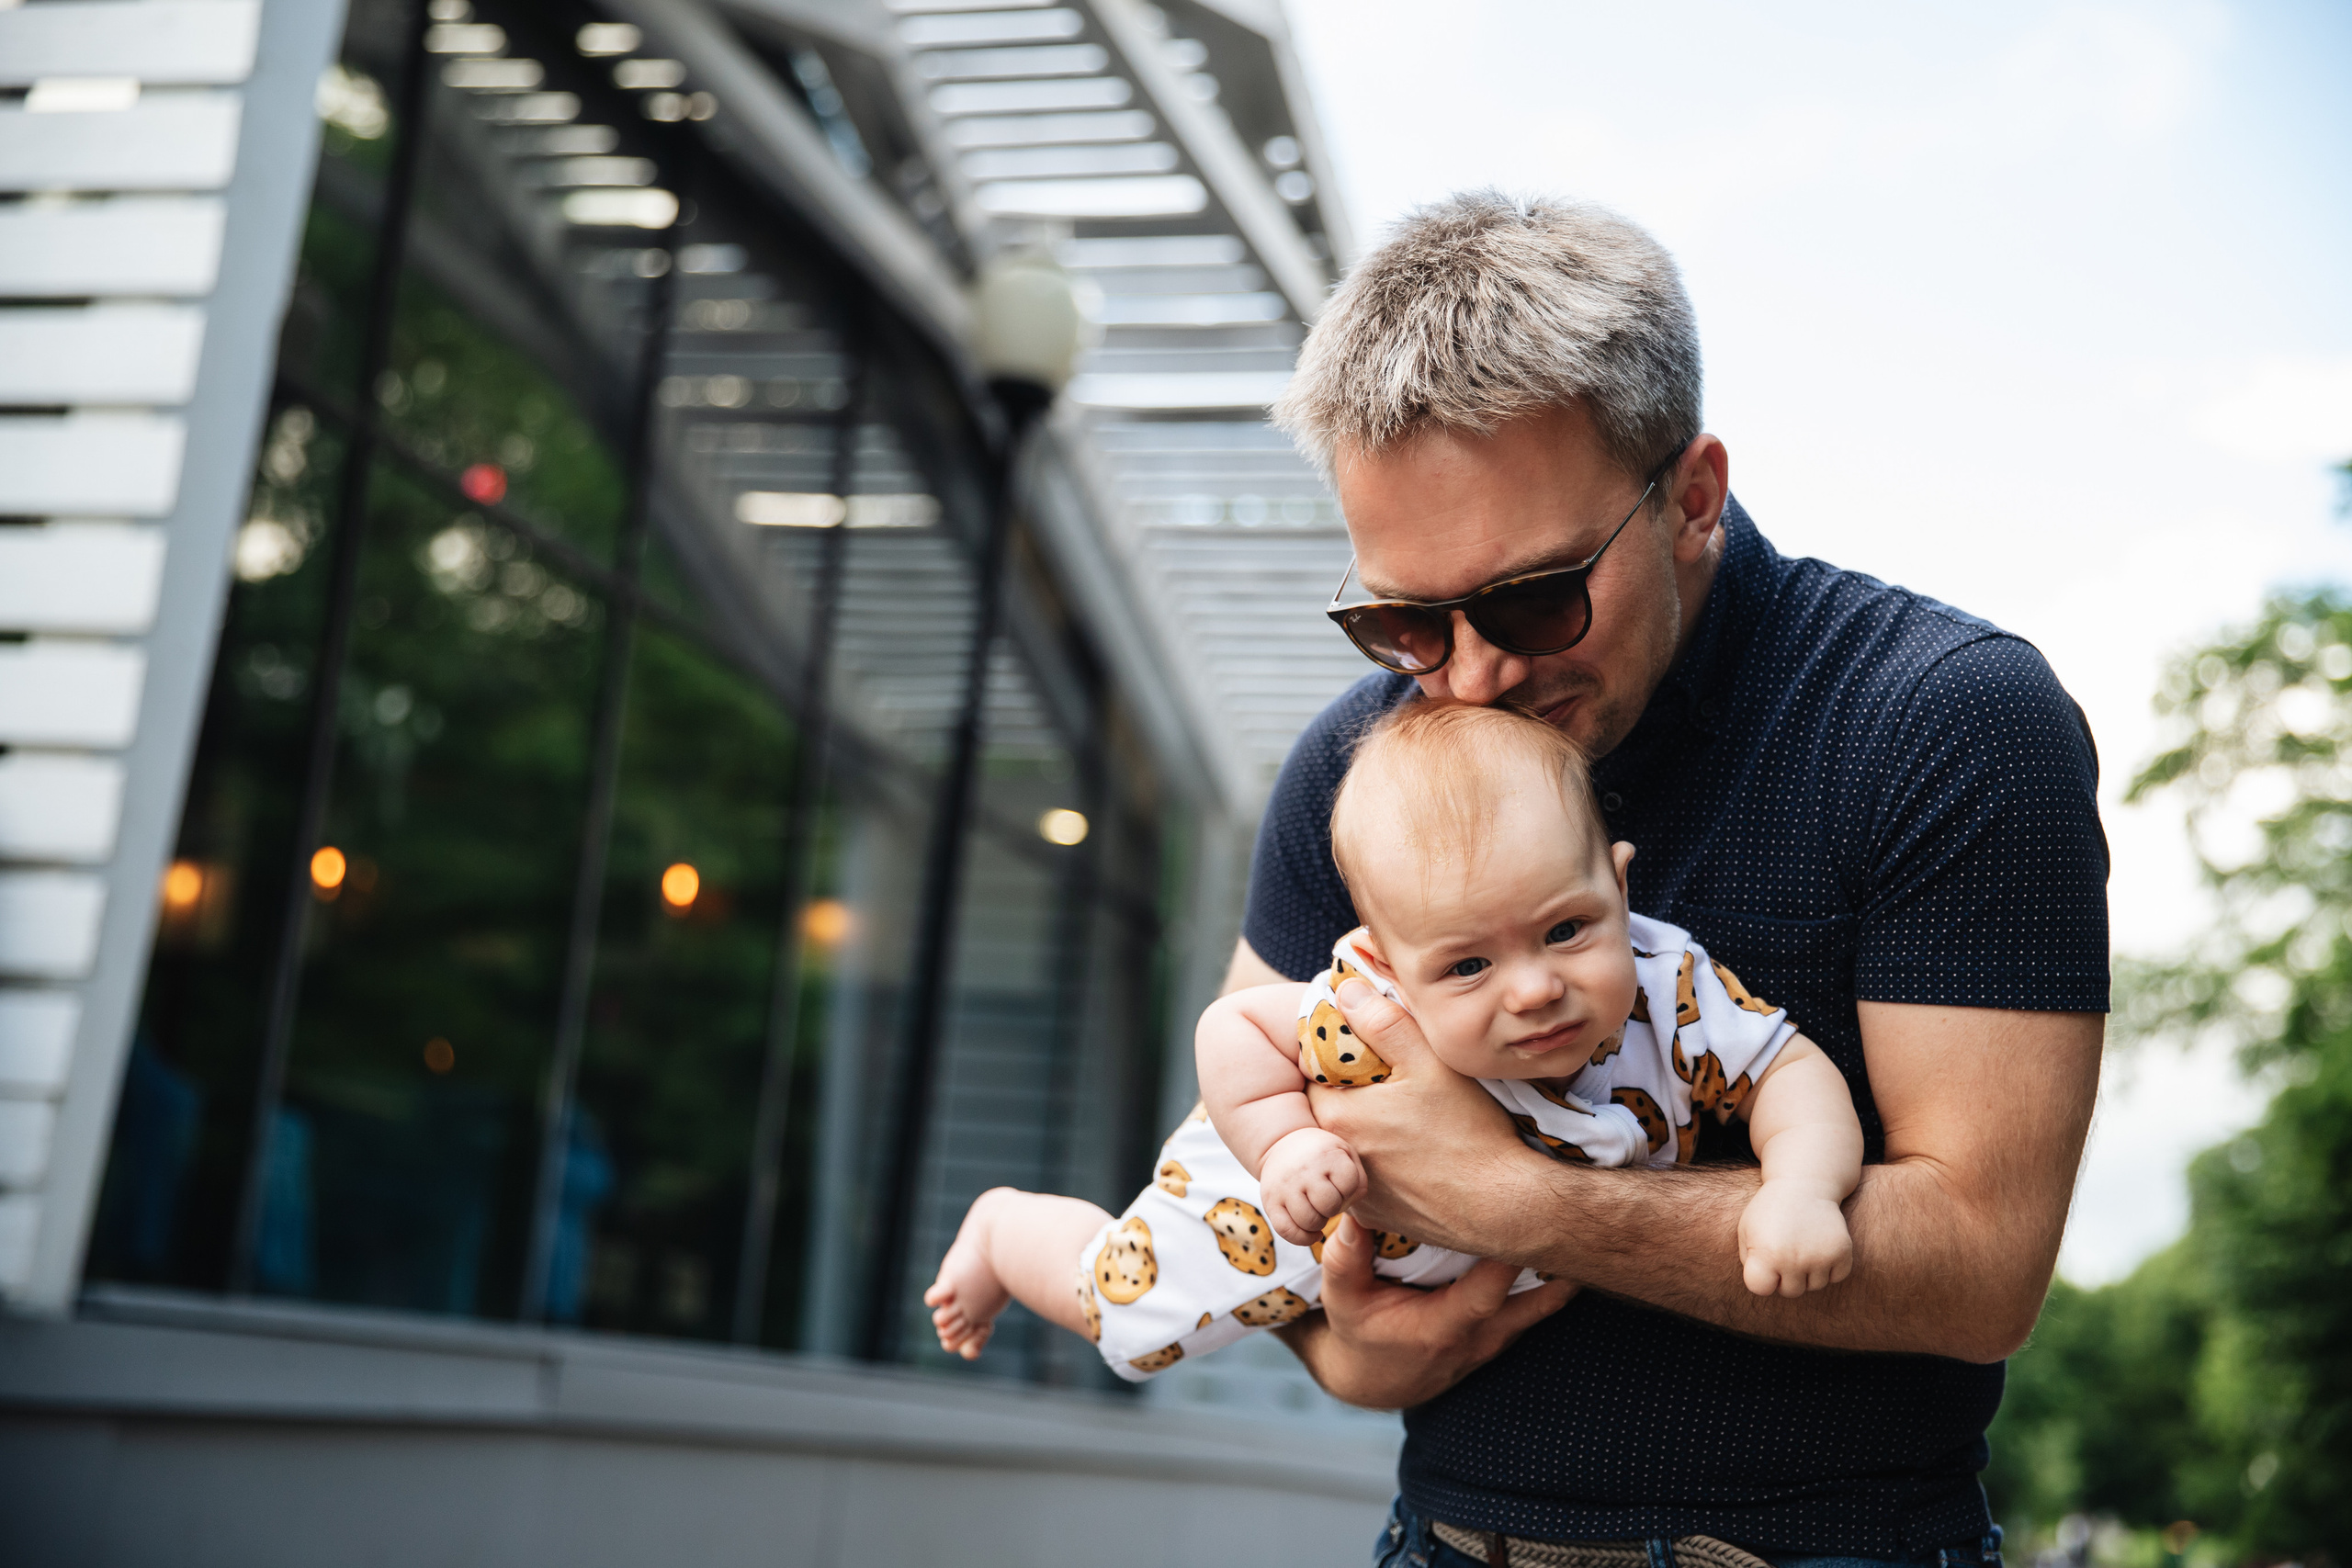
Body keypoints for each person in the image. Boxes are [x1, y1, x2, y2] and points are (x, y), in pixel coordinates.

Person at [1232, 190, 2109, 1566]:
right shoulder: (1359, 764)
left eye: (1532, 599)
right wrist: (1339, 1345)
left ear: (1692, 496)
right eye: (1399, 618)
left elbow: (1984, 1263)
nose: (1465, 677)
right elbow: (1243, 1126)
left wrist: (1520, 1201)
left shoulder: (1942, 717)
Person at [922, 703, 1864, 1380]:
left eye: (1566, 930)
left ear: (1619, 887)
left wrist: (1800, 1187)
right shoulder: (1362, 1005)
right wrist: (1283, 1141)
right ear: (1386, 965)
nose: (1534, 988)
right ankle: (1006, 1230)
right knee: (1124, 1322)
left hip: (1425, 1257)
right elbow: (1236, 1024)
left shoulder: (1673, 986)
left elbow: (1786, 1070)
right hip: (1247, 1212)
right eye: (1466, 968)